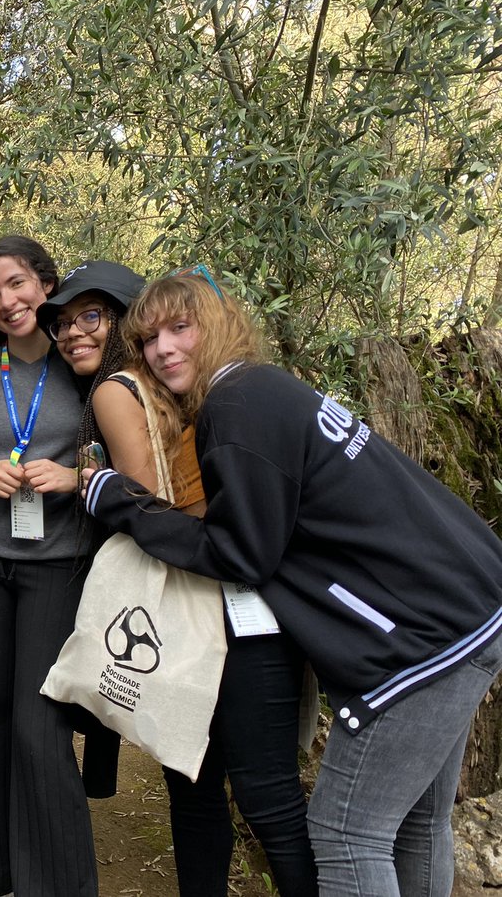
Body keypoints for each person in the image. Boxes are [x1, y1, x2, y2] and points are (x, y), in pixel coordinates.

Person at [83, 267, 502, 895]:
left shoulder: (234, 404)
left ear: (221, 325)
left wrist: (115, 496)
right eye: (148, 339)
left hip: (421, 638)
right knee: (418, 823)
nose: (163, 348)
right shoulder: (269, 390)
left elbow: (240, 553)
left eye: (181, 327)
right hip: (469, 608)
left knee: (345, 834)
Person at [38, 261, 317, 896]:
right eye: (63, 323)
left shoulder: (123, 390)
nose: (74, 332)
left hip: (212, 604)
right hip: (250, 605)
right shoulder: (203, 390)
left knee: (216, 788)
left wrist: (98, 489)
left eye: (92, 316)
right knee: (257, 792)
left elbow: (153, 509)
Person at [0, 235, 101, 897]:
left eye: (16, 283)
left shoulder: (85, 367)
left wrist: (72, 475)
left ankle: (58, 885)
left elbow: (126, 461)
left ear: (45, 282)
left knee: (40, 725)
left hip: (57, 566)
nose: (6, 301)